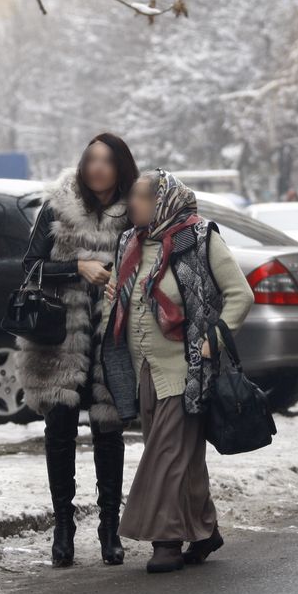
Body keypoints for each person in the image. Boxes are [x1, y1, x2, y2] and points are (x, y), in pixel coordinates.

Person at [97, 170, 255, 573]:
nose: (130, 203)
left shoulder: (198, 238)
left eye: (139, 196)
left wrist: (213, 340)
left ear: (162, 201)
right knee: (181, 456)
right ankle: (205, 529)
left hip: (187, 368)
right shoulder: (129, 242)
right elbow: (122, 297)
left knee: (165, 455)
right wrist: (113, 295)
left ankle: (165, 541)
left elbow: (241, 294)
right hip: (142, 368)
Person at [16, 132, 139, 568]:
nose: (97, 168)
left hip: (113, 338)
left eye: (107, 161)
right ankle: (63, 528)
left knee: (109, 433)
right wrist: (76, 268)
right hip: (60, 339)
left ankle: (110, 529)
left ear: (120, 167)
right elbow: (29, 265)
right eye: (91, 160)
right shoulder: (58, 206)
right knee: (60, 432)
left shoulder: (133, 213)